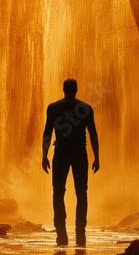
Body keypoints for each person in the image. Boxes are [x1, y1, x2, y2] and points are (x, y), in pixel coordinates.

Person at [42, 78, 100, 246]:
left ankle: (61, 234)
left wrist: (44, 155)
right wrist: (97, 157)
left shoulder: (53, 108)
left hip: (60, 152)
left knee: (58, 193)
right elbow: (93, 134)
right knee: (82, 194)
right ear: (77, 89)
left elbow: (47, 133)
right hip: (79, 153)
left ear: (63, 89)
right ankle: (80, 234)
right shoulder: (86, 108)